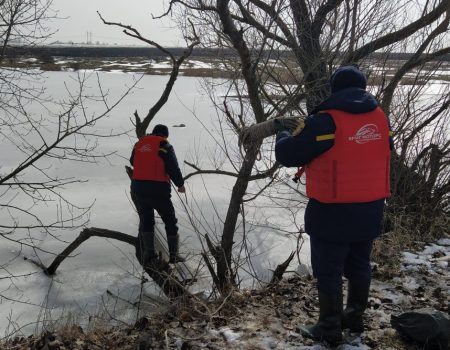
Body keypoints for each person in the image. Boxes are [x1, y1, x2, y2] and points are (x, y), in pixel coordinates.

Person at [275, 65, 392, 344]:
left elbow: (288, 154)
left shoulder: (325, 121)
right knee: (360, 265)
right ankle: (353, 318)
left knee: (329, 271)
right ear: (363, 89)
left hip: (332, 212)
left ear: (334, 90)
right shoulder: (380, 118)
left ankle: (329, 330)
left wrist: (281, 134)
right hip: (371, 209)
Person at [130, 124, 186, 265]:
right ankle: (174, 256)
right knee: (170, 221)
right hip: (158, 190)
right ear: (165, 135)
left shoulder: (139, 144)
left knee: (147, 220)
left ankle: (149, 252)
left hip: (139, 188)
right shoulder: (164, 145)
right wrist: (180, 184)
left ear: (153, 133)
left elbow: (132, 162)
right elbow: (173, 167)